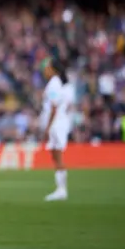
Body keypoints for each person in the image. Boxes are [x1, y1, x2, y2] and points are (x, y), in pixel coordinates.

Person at [40, 57, 74, 201]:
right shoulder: (58, 84)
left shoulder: (53, 84)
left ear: (53, 70)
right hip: (58, 122)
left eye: (47, 67)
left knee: (58, 155)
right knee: (55, 155)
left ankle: (62, 190)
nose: (44, 70)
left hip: (56, 124)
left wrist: (48, 128)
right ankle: (60, 188)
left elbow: (53, 108)